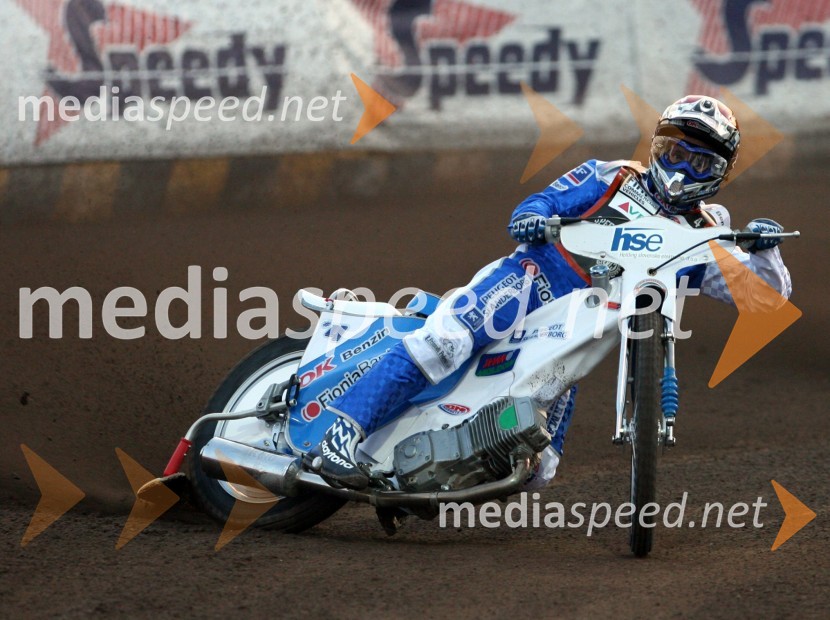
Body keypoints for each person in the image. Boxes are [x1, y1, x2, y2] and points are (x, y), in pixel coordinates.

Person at [310, 95, 793, 491]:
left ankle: (427, 469)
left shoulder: (707, 232)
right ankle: (338, 434)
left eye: (699, 161)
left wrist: (766, 251)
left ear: (720, 174)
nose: (681, 169)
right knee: (445, 342)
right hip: (533, 282)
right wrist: (532, 218)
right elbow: (541, 201)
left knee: (538, 470)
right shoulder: (613, 176)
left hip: (579, 332)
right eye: (673, 152)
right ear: (656, 147)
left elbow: (763, 301)